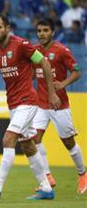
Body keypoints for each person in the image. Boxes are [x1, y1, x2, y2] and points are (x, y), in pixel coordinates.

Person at [0, 13, 61, 200]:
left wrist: (51, 93)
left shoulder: (22, 44)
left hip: (28, 101)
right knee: (28, 145)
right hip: (13, 103)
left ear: (7, 28)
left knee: (8, 139)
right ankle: (47, 189)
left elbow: (44, 63)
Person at [33, 18, 87, 193]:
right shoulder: (35, 51)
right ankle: (47, 176)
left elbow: (77, 72)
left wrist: (62, 84)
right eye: (40, 31)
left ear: (52, 32)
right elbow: (34, 73)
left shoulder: (62, 51)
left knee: (68, 142)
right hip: (41, 104)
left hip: (59, 104)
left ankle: (83, 174)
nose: (42, 34)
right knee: (34, 139)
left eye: (45, 30)